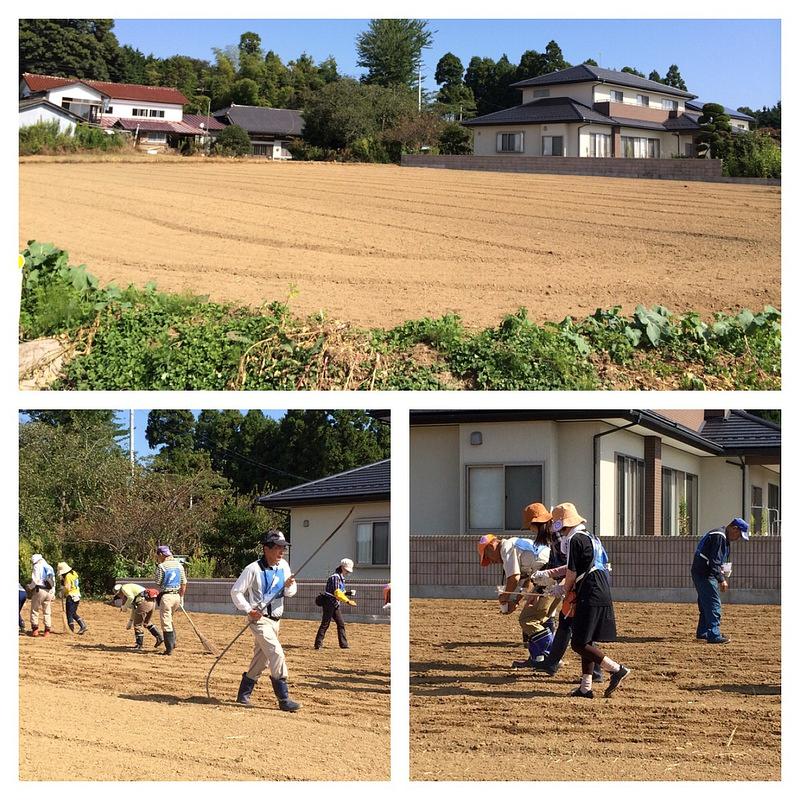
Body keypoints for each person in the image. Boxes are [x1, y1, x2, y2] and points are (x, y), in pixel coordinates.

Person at [546, 502, 630, 699]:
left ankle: (617, 669)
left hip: (589, 591)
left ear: (561, 525)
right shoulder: (591, 537)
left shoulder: (575, 539)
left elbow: (572, 571)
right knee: (586, 639)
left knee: (578, 643)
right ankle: (585, 688)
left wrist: (563, 589)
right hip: (601, 588)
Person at [230, 530, 300, 712]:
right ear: (266, 548)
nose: (281, 552)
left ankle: (243, 694)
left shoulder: (284, 566)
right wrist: (249, 610)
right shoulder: (252, 569)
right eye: (278, 548)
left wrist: (289, 587)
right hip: (259, 621)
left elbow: (291, 593)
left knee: (261, 660)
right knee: (276, 653)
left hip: (276, 620)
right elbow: (236, 591)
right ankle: (283, 699)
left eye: (283, 548)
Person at [477, 505, 553, 655]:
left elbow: (514, 578)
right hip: (549, 575)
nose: (491, 561)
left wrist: (504, 597)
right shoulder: (514, 545)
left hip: (549, 576)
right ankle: (539, 656)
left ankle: (551, 655)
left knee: (528, 619)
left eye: (487, 557)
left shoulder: (506, 547)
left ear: (491, 546)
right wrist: (516, 601)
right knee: (543, 616)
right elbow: (527, 582)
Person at [691, 517, 750, 645]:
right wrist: (721, 579)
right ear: (734, 529)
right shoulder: (719, 537)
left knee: (706, 604)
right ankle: (714, 635)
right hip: (705, 574)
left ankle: (703, 633)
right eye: (739, 535)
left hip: (701, 572)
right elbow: (714, 561)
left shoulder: (721, 535)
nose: (738, 538)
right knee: (713, 605)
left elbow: (715, 560)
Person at [315, 558, 357, 649]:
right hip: (329, 603)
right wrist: (348, 601)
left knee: (341, 623)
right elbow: (337, 592)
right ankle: (318, 645)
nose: (348, 572)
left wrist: (348, 593)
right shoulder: (335, 577)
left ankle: (344, 645)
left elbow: (341, 592)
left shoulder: (341, 578)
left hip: (335, 604)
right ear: (342, 567)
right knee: (325, 623)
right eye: (346, 570)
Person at [154, 545, 187, 655]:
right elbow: (184, 583)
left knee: (166, 622)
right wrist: (181, 597)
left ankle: (169, 649)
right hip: (176, 597)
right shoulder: (179, 565)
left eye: (158, 556)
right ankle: (173, 643)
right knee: (170, 619)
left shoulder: (161, 566)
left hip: (167, 596)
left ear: (161, 555)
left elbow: (158, 581)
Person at [114, 583, 163, 651]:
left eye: (119, 596)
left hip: (143, 602)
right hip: (151, 602)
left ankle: (139, 645)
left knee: (137, 625)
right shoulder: (132, 589)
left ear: (119, 592)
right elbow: (135, 609)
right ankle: (159, 637)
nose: (120, 597)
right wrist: (130, 621)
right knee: (146, 622)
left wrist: (125, 606)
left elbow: (131, 597)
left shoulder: (124, 589)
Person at [57, 562, 87, 634]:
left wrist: (62, 592)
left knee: (69, 614)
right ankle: (82, 625)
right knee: (73, 613)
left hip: (71, 596)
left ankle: (71, 629)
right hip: (77, 595)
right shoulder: (74, 573)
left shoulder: (67, 576)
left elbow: (67, 587)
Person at [29, 554, 56, 637]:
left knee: (35, 609)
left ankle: (35, 630)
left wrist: (30, 587)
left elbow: (36, 580)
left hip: (40, 590)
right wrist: (53, 592)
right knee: (47, 611)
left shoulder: (37, 566)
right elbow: (53, 581)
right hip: (49, 591)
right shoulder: (49, 567)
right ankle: (47, 631)